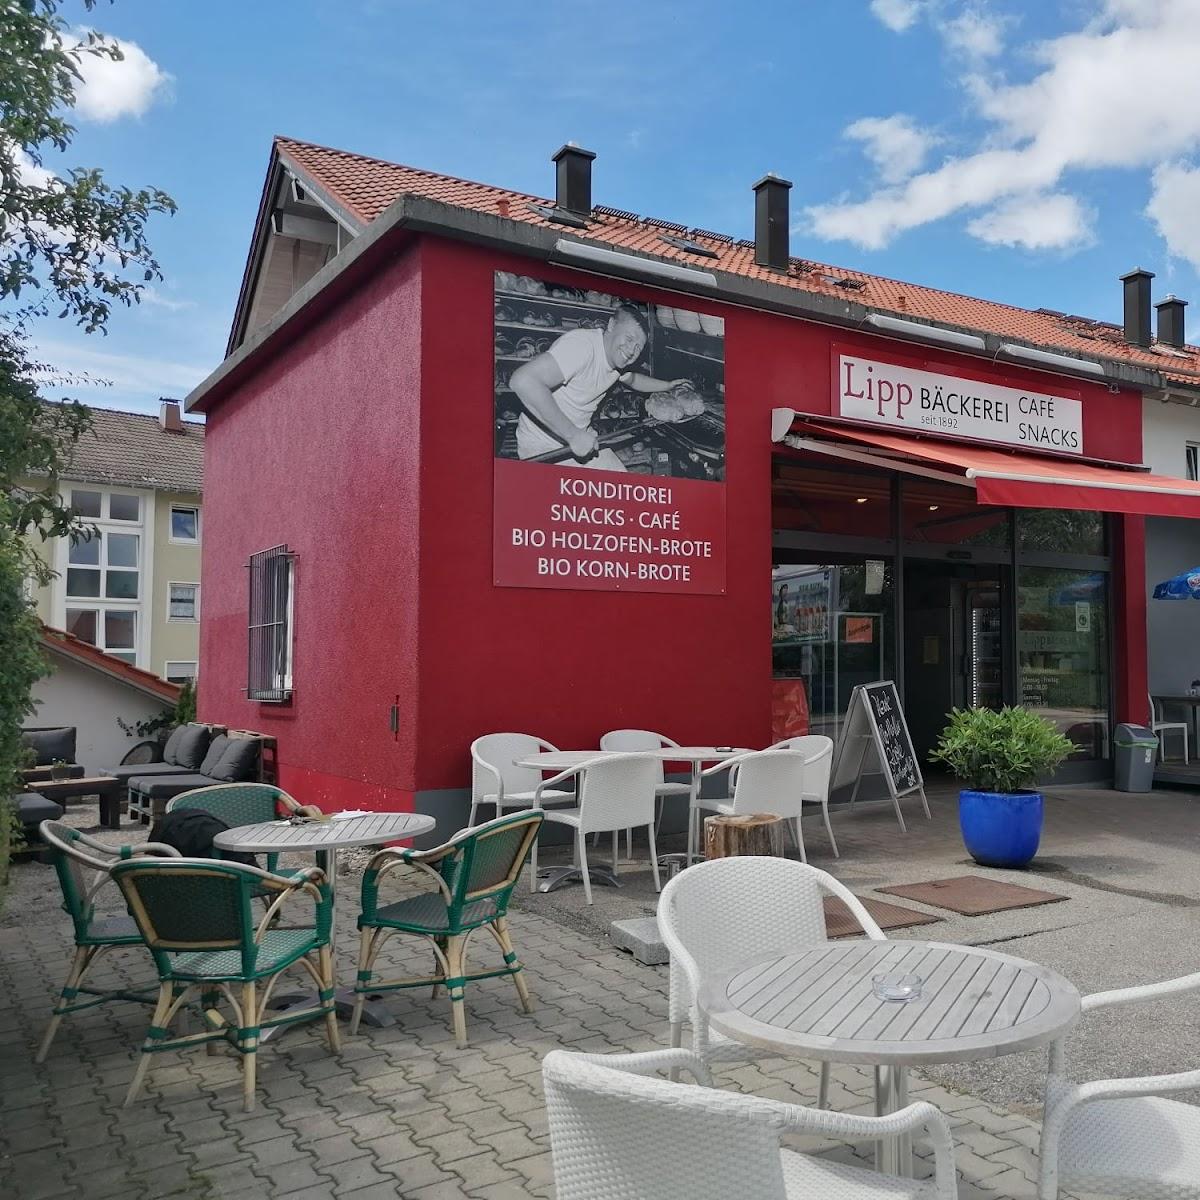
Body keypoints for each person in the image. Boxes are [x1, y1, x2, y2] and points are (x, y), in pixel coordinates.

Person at [509, 304, 690, 470]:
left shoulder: (616, 361)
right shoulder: (582, 346)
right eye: (629, 338)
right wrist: (572, 435)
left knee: (619, 486)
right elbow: (523, 381)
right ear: (611, 325)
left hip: (582, 435)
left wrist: (667, 385)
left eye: (638, 347)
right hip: (543, 444)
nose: (631, 351)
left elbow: (633, 379)